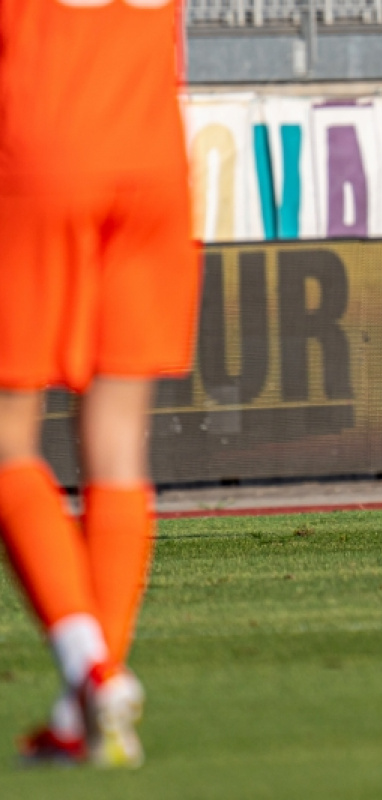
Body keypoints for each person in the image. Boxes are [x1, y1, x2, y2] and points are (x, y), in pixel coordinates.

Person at [0, 1, 199, 766]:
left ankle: (92, 669)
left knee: (8, 438)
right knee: (117, 444)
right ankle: (86, 711)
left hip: (43, 153)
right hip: (152, 163)